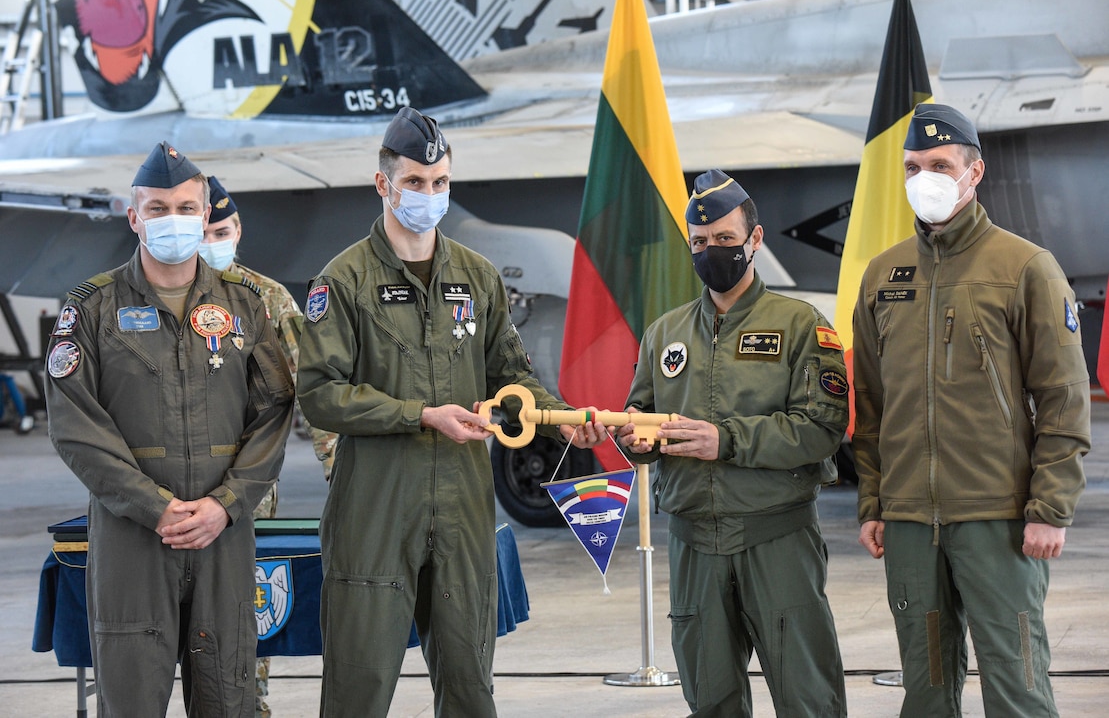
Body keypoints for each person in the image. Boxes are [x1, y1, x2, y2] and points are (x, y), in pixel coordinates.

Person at [296, 106, 607, 717]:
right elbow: (320, 394)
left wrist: (557, 415)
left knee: (469, 687)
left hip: (463, 509)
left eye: (440, 183)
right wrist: (420, 415)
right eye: (415, 182)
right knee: (357, 691)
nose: (429, 195)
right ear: (384, 184)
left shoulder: (477, 277)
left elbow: (511, 375)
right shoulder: (343, 281)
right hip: (374, 511)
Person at [852, 103, 1091, 717]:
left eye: (938, 164)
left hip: (999, 518)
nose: (923, 177)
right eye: (912, 166)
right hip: (908, 522)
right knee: (926, 689)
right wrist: (875, 502)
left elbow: (1063, 398)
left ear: (974, 171)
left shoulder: (1026, 269)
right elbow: (872, 405)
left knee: (1017, 686)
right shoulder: (883, 275)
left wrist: (1051, 508)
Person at [44, 141, 295, 717]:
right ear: (133, 217)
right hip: (133, 540)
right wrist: (151, 505)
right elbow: (76, 426)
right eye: (157, 209)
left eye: (186, 207)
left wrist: (227, 504)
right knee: (131, 700)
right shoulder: (92, 309)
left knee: (229, 698)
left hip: (223, 536)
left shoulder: (246, 306)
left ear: (206, 216)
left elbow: (275, 412)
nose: (172, 220)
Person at [617, 170, 849, 717]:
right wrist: (631, 435)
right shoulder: (664, 333)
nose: (712, 251)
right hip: (694, 542)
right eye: (700, 243)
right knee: (711, 700)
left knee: (807, 698)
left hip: (777, 539)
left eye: (724, 239)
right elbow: (642, 420)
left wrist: (724, 440)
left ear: (755, 239)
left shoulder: (801, 326)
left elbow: (820, 430)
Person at [200, 175, 338, 718]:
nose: (214, 240)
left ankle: (247, 706)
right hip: (170, 481)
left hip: (248, 483)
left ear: (239, 231)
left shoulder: (266, 298)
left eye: (223, 230)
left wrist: (340, 474)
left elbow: (312, 390)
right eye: (204, 230)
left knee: (242, 607)